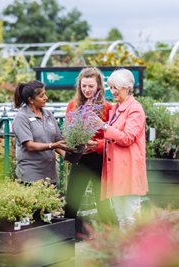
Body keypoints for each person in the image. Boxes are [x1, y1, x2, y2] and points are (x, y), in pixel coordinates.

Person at [64, 67, 116, 236]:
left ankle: (112, 238)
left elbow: (113, 136)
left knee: (102, 202)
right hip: (80, 158)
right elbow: (69, 132)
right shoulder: (73, 106)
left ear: (99, 87)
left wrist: (98, 144)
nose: (87, 90)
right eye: (83, 86)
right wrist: (75, 143)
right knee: (72, 201)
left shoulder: (108, 108)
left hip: (99, 160)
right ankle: (71, 237)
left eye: (91, 86)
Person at [96, 68, 148, 229]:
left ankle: (135, 251)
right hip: (117, 170)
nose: (112, 91)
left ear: (126, 87)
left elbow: (126, 138)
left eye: (115, 87)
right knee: (121, 217)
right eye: (110, 88)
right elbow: (113, 138)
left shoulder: (135, 109)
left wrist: (104, 127)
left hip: (129, 170)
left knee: (131, 217)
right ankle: (123, 251)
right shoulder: (116, 108)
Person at [12, 80, 68, 184]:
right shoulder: (21, 117)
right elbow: (30, 145)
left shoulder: (48, 114)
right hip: (31, 174)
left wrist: (70, 157)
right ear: (31, 100)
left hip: (50, 174)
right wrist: (52, 145)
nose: (46, 97)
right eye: (42, 96)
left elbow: (58, 141)